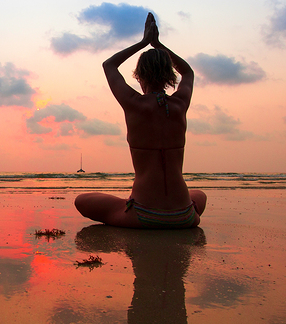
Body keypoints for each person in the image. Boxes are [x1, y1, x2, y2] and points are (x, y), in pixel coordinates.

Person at [75, 13, 207, 228]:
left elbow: (109, 65)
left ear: (139, 76)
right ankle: (177, 212)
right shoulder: (180, 104)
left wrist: (143, 42)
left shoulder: (133, 102)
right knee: (199, 194)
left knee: (81, 201)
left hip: (144, 216)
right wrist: (159, 45)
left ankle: (135, 209)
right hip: (184, 217)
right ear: (169, 76)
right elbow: (188, 72)